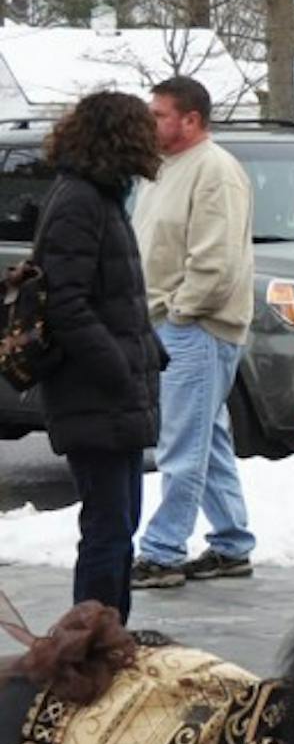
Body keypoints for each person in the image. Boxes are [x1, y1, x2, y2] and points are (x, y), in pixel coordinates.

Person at [32, 93, 165, 624]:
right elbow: (65, 302)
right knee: (108, 528)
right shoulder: (81, 201)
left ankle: (110, 637)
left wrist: (149, 350)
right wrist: (117, 366)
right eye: (143, 129)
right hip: (94, 394)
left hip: (114, 395)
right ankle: (90, 648)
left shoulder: (101, 197)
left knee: (120, 522)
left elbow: (113, 296)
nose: (152, 140)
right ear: (119, 136)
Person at [130, 75, 257, 589]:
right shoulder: (160, 168)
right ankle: (232, 544)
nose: (151, 122)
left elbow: (215, 259)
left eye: (159, 114)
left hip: (196, 328)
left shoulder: (215, 171)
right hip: (168, 322)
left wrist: (183, 313)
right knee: (209, 438)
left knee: (181, 443)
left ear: (192, 120)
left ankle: (162, 552)